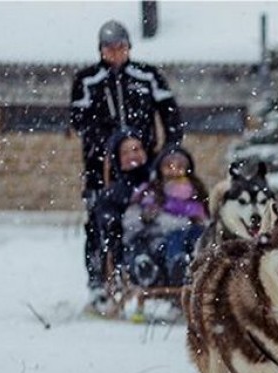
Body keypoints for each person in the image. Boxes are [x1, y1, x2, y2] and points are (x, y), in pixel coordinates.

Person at [70, 20, 184, 308]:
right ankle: (99, 281)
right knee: (100, 223)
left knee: (154, 219)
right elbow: (79, 121)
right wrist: (109, 147)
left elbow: (171, 115)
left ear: (129, 47)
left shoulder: (147, 76)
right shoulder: (87, 80)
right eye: (110, 48)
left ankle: (159, 276)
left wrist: (168, 151)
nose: (116, 53)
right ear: (101, 50)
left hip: (144, 166)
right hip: (102, 169)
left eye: (121, 47)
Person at [122, 145, 209, 287]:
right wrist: (146, 218)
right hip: (160, 243)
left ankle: (197, 267)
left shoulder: (197, 192)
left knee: (197, 235)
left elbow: (205, 219)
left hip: (191, 243)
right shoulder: (150, 192)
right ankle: (177, 265)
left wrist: (195, 223)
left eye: (180, 166)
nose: (174, 170)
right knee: (175, 235)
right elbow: (132, 222)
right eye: (169, 166)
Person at [86, 130, 152, 314]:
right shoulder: (114, 192)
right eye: (126, 152)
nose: (133, 155)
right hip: (130, 243)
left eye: (137, 149)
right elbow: (106, 222)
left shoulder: (158, 180)